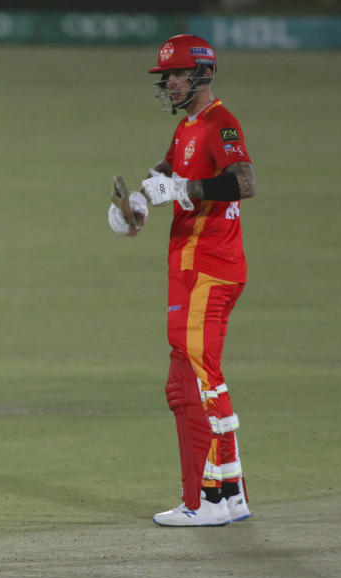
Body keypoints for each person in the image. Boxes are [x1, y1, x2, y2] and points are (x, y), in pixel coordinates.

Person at [108, 34, 256, 526]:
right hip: (190, 266)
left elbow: (244, 182)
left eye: (174, 75)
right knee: (189, 373)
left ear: (200, 74)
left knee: (199, 371)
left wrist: (181, 189)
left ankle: (209, 499)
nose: (168, 83)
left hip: (211, 266)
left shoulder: (221, 123)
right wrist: (136, 206)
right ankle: (232, 492)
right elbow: (163, 175)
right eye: (165, 77)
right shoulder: (187, 129)